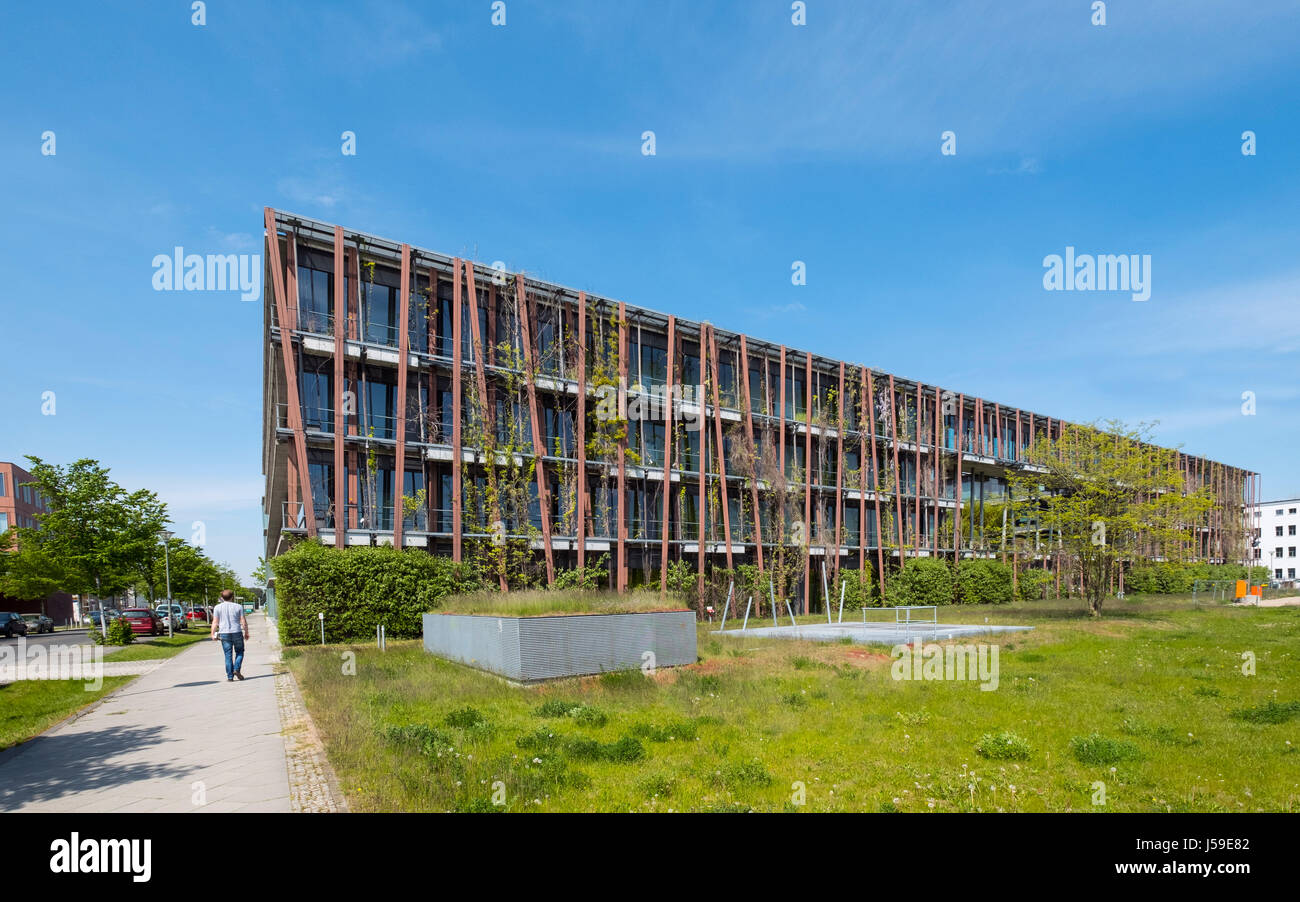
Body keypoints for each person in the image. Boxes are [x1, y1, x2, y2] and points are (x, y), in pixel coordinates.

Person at [210, 589, 250, 682]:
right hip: (236, 632)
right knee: (240, 652)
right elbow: (243, 621)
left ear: (222, 597)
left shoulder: (217, 607)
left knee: (228, 655)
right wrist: (246, 632)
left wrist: (213, 634)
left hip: (224, 633)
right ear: (232, 597)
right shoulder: (238, 607)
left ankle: (230, 677)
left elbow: (215, 622)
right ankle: (236, 669)